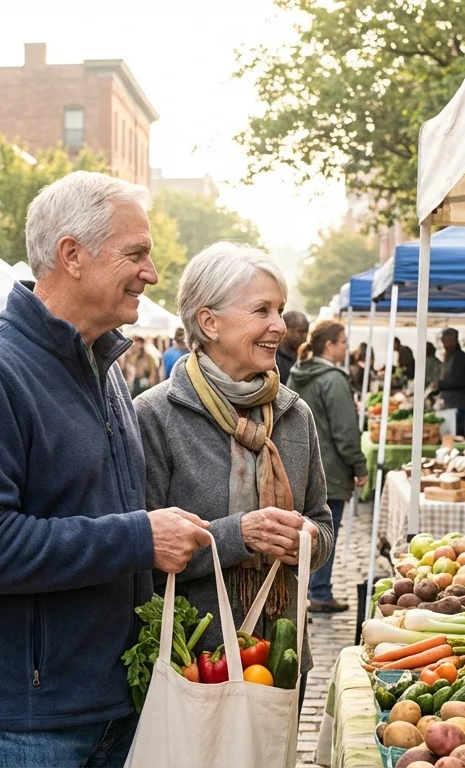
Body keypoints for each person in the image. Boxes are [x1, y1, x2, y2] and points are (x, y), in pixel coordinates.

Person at [0, 171, 211, 767]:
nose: (151, 274)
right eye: (136, 254)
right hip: (26, 727)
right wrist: (139, 536)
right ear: (72, 255)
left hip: (111, 706)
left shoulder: (102, 368)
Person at [134, 242, 335, 707]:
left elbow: (323, 524)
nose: (279, 326)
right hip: (193, 665)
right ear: (209, 322)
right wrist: (238, 535)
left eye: (280, 310)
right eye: (261, 310)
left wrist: (305, 537)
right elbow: (140, 554)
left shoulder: (294, 415)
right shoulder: (156, 416)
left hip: (282, 661)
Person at [288, 319, 367, 613]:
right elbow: (345, 431)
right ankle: (319, 591)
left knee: (303, 533)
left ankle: (302, 591)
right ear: (330, 345)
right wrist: (359, 466)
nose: (347, 347)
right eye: (344, 341)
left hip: (299, 465)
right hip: (329, 468)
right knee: (324, 532)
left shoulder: (299, 373)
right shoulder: (332, 379)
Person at [436, 328, 465, 435]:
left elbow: (463, 381)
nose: (443, 344)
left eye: (445, 341)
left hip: (457, 404)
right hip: (449, 402)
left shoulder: (460, 357)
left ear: (453, 341)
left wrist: (441, 384)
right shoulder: (450, 356)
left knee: (456, 433)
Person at [275, 310, 308, 384]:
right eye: (301, 332)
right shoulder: (273, 357)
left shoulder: (306, 356)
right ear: (286, 329)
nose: (305, 336)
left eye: (306, 332)